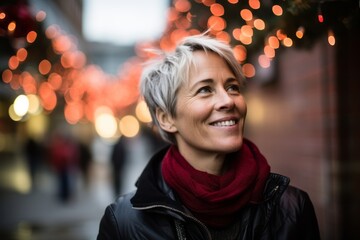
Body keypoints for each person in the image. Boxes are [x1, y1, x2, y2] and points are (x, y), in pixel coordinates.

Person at [97, 34, 320, 239]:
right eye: (205, 89)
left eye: (232, 87)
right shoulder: (123, 222)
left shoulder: (292, 207)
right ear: (166, 118)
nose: (228, 101)